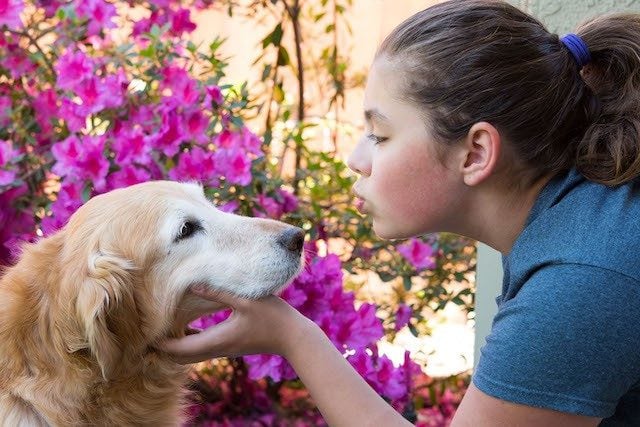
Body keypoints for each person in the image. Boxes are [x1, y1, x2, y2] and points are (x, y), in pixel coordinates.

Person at [158, 1, 640, 425]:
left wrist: (293, 337)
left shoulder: (580, 281)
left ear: (474, 154)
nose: (356, 158)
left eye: (380, 135)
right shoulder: (583, 223)